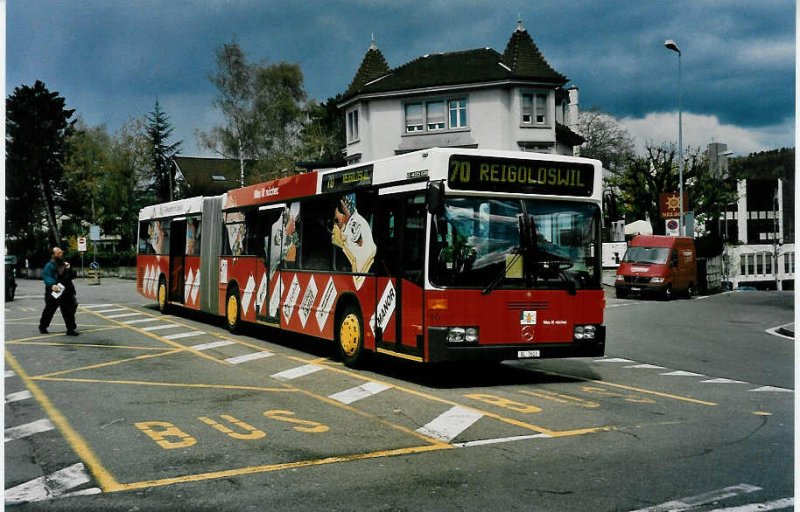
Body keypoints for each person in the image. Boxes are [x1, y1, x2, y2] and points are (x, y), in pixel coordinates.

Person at [38, 247, 79, 336]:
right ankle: (43, 326)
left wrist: (69, 268)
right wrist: (52, 284)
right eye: (59, 253)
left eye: (61, 252)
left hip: (66, 290)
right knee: (50, 309)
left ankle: (70, 329)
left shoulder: (65, 264)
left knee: (68, 310)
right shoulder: (50, 265)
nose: (61, 254)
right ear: (53, 255)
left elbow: (72, 276)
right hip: (56, 290)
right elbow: (47, 276)